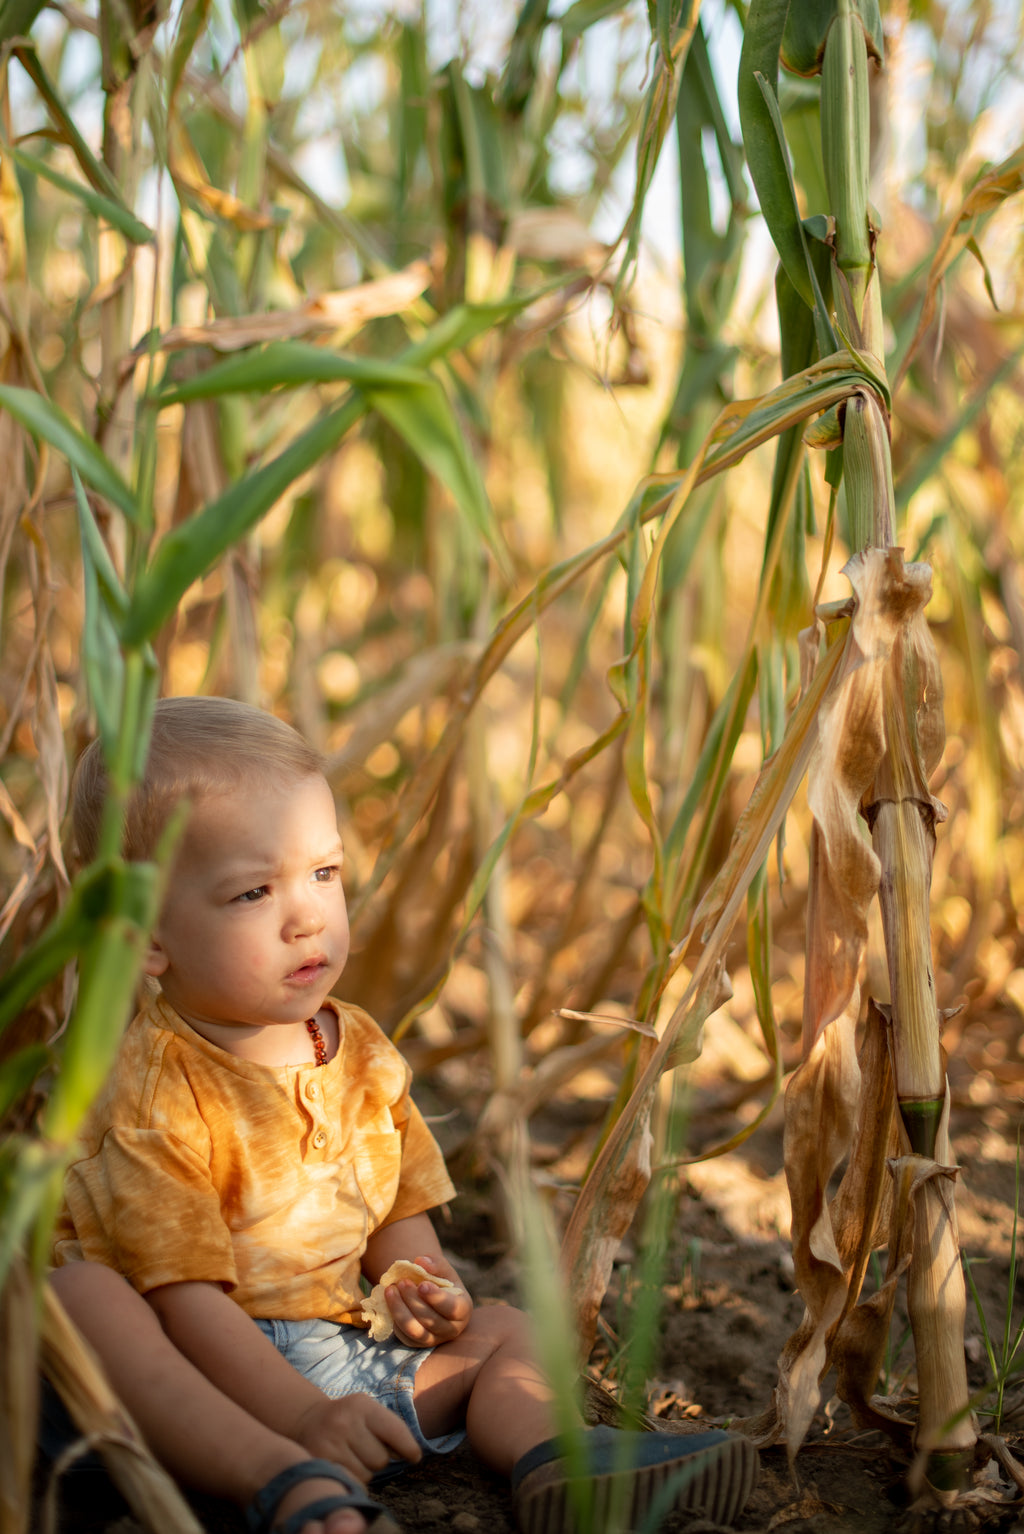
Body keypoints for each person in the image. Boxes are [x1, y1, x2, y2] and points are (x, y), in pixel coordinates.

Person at [49, 696, 759, 1534]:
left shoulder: (360, 1050)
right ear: (145, 937)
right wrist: (301, 1417)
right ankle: (277, 1478)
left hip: (342, 1357)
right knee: (81, 1297)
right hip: (187, 1384)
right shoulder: (156, 1091)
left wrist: (425, 1288)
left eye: (325, 873)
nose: (308, 914)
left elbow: (395, 1208)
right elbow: (186, 1303)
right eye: (251, 892)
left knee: (509, 1330)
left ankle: (550, 1464)